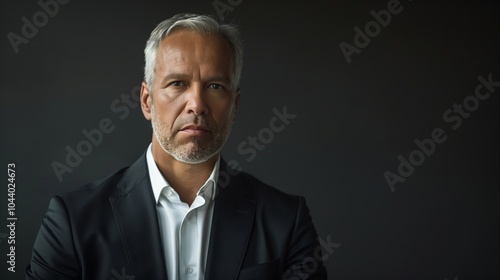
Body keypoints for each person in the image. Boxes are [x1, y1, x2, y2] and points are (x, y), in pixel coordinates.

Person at [26, 13, 326, 280]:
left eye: (215, 86)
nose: (197, 104)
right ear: (146, 101)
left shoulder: (285, 220)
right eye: (178, 83)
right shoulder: (73, 220)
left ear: (234, 106)